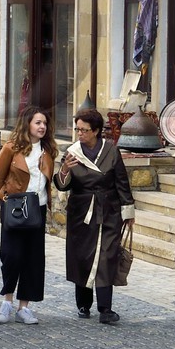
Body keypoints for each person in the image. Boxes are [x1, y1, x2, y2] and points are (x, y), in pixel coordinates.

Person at [53, 107, 135, 324]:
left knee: (107, 256)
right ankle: (83, 304)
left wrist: (128, 211)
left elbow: (122, 182)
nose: (80, 134)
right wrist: (64, 171)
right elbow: (62, 187)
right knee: (83, 255)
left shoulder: (111, 150)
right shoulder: (72, 153)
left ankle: (106, 309)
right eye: (78, 129)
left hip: (109, 210)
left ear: (96, 130)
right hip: (81, 212)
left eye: (85, 130)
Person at [0, 107, 56, 326]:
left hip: (38, 209)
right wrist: (7, 202)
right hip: (16, 209)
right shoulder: (11, 148)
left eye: (44, 123)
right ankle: (6, 300)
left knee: (33, 259)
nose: (42, 127)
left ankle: (24, 307)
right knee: (11, 255)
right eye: (38, 122)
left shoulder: (48, 150)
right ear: (27, 123)